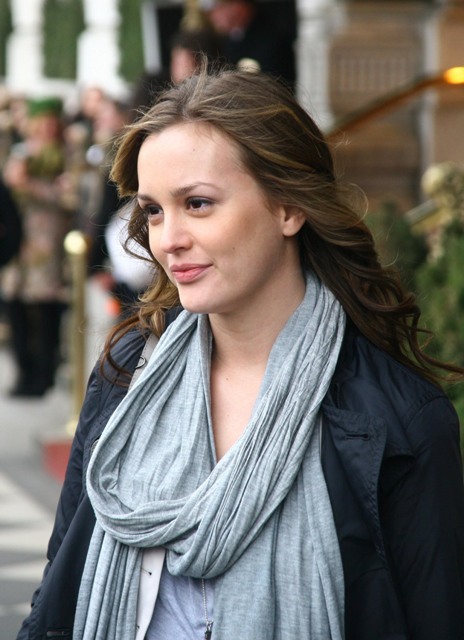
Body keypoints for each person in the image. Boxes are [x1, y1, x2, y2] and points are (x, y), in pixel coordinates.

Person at [17, 68, 464, 640]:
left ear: (288, 208)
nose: (168, 239)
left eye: (198, 203)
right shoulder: (127, 372)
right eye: (153, 210)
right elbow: (60, 592)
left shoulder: (396, 420)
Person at [2, 97, 71, 397]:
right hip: (18, 242)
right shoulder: (21, 152)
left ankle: (43, 376)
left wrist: (29, 185)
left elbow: (68, 197)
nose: (46, 128)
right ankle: (24, 373)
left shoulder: (65, 154)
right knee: (15, 307)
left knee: (45, 311)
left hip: (47, 242)